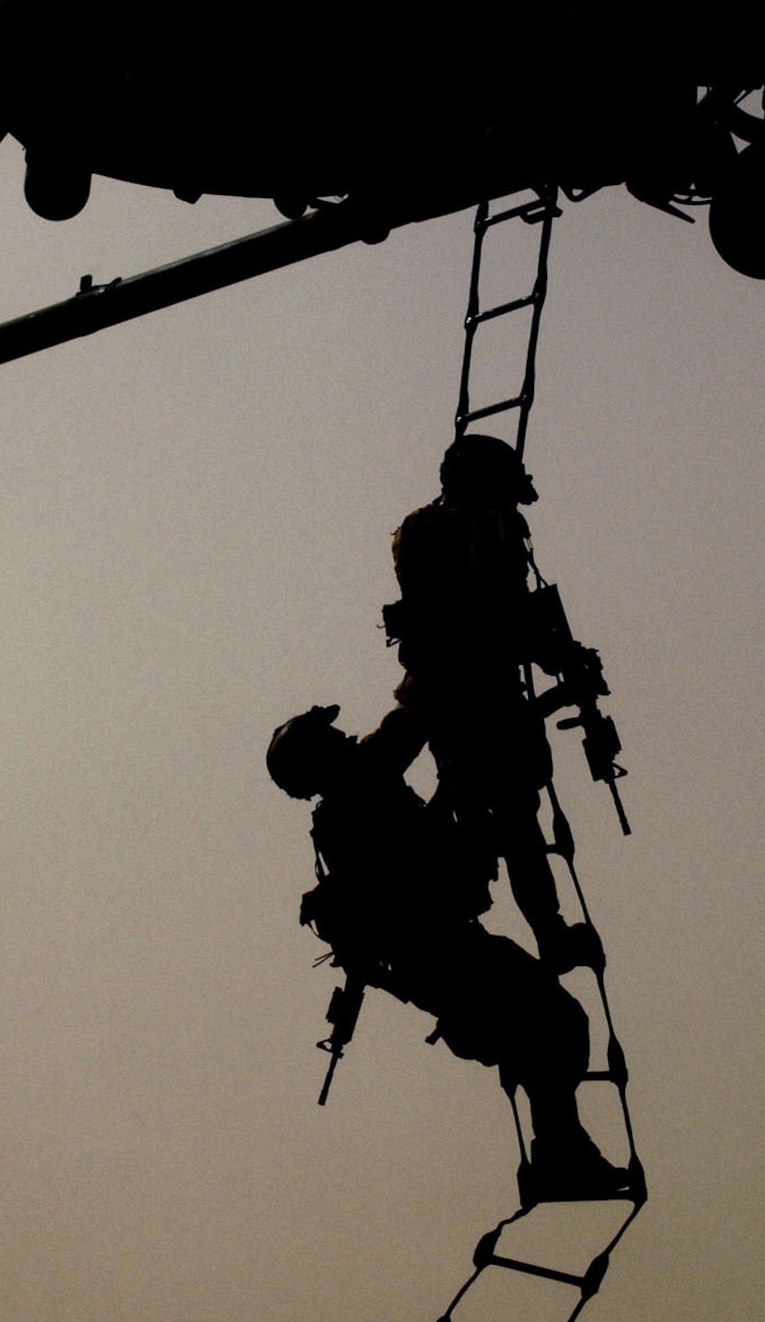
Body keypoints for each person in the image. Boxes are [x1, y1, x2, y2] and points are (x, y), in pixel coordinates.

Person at [267, 704, 631, 1202]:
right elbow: (408, 861)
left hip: (446, 952)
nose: (349, 739)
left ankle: (560, 1154)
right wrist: (453, 783)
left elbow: (410, 731)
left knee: (548, 1029)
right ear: (318, 761)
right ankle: (560, 1157)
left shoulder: (361, 790)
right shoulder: (352, 810)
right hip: (439, 957)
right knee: (556, 1022)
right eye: (334, 739)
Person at [387, 433, 599, 972]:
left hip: (436, 698)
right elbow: (502, 618)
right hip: (484, 695)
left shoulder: (415, 529)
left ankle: (465, 925)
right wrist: (563, 659)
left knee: (476, 816)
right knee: (517, 824)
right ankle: (546, 935)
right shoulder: (488, 529)